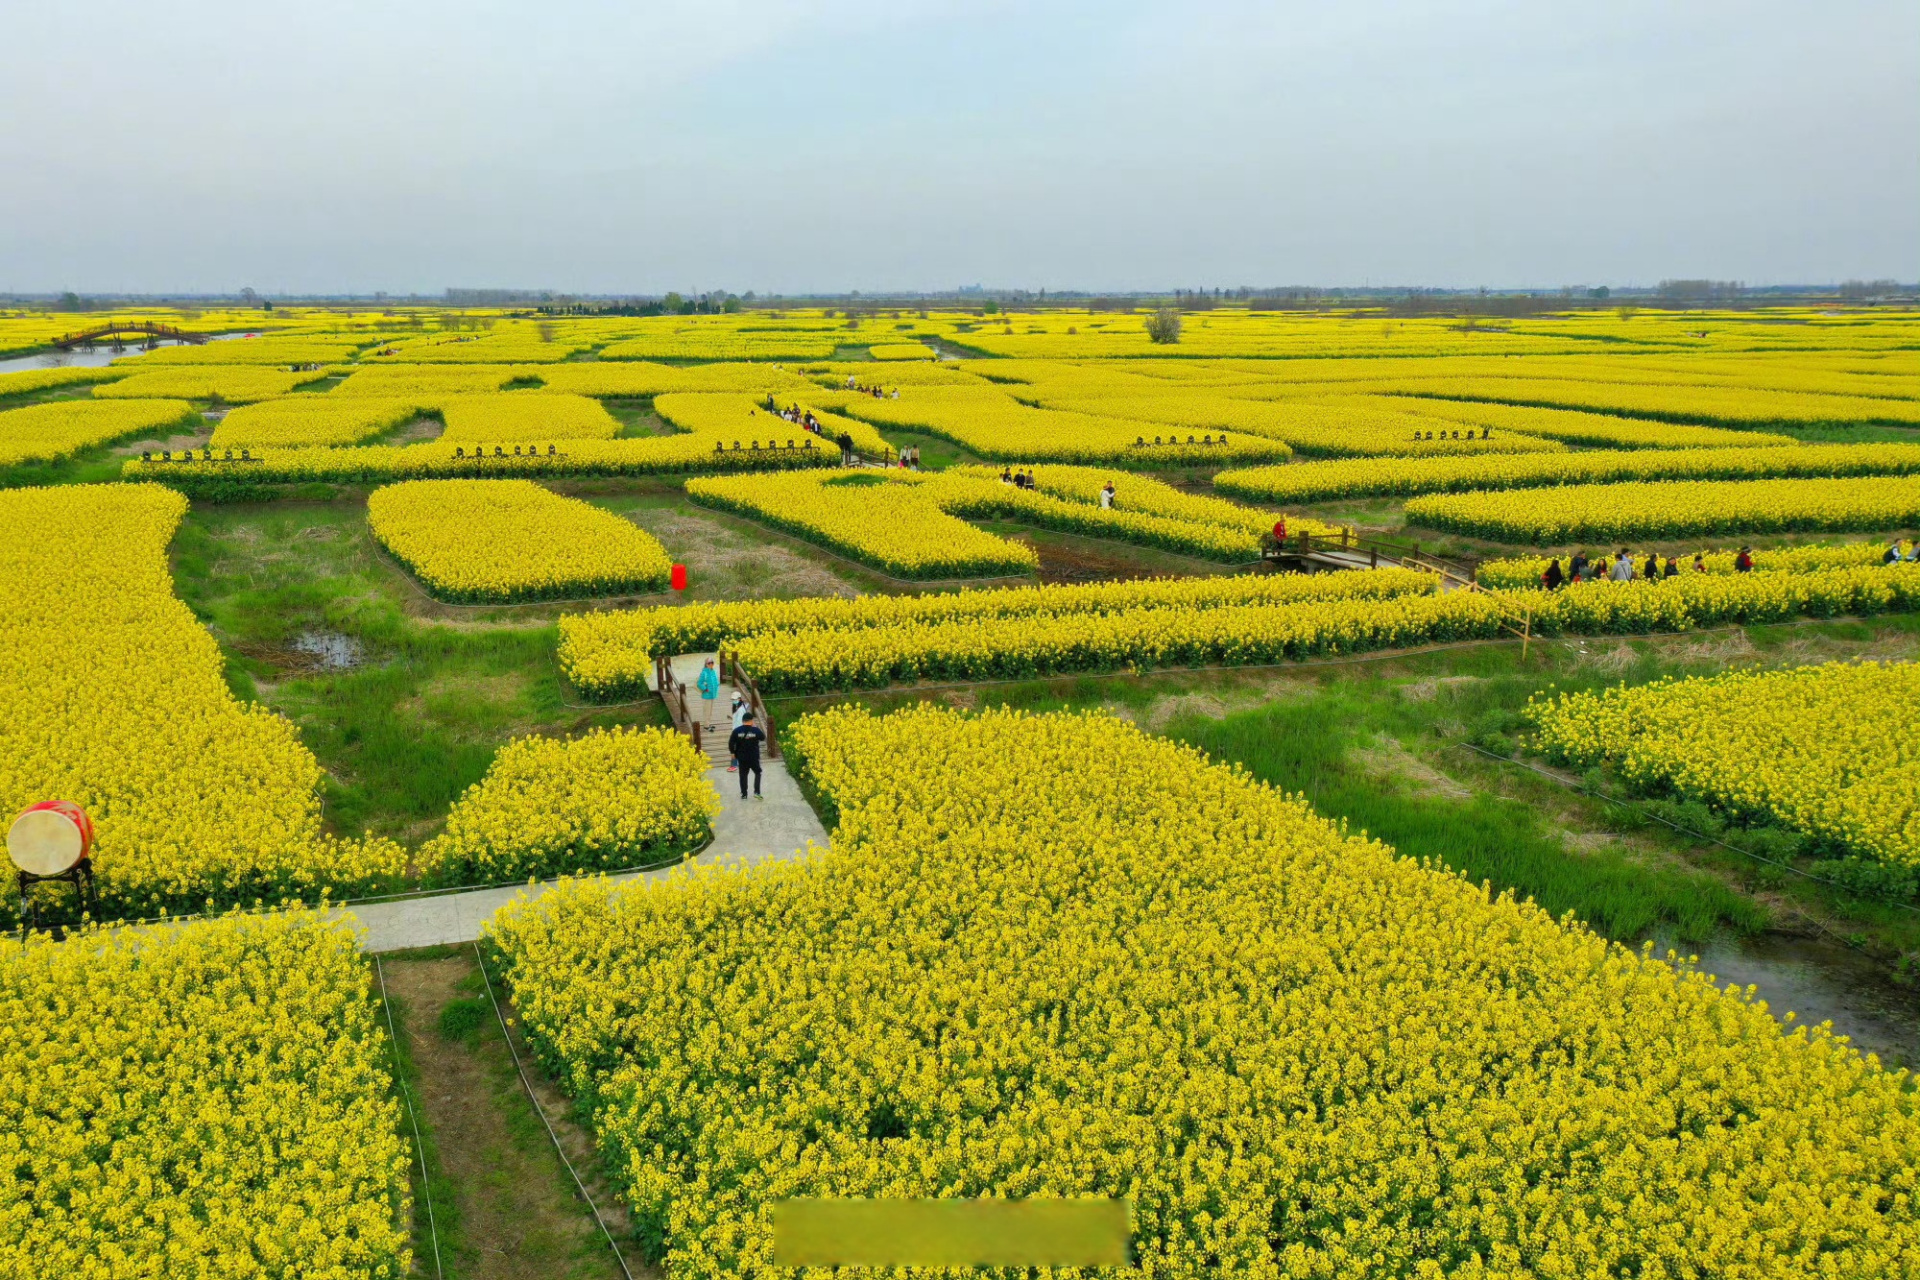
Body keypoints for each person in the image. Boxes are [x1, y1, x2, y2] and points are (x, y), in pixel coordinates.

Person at [729, 712, 766, 800]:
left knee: (743, 775)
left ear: (743, 721)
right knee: (757, 772)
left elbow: (731, 742)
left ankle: (744, 794)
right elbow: (763, 737)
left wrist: (732, 753)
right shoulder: (755, 730)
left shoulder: (737, 731)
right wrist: (756, 728)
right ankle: (757, 792)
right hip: (753, 757)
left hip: (742, 757)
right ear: (751, 720)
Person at [696, 658, 720, 728]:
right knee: (707, 711)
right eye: (709, 663)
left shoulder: (713, 671)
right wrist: (705, 689)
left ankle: (708, 723)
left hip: (713, 695)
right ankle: (706, 725)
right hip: (706, 695)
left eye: (712, 662)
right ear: (706, 664)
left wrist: (717, 685)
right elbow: (699, 683)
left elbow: (716, 681)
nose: (711, 664)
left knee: (710, 711)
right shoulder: (704, 673)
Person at [726, 693, 747, 772]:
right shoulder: (738, 707)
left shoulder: (741, 709)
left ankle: (734, 765)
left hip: (738, 732)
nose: (734, 701)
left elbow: (740, 723)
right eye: (733, 699)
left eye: (735, 699)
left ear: (739, 699)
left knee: (733, 748)